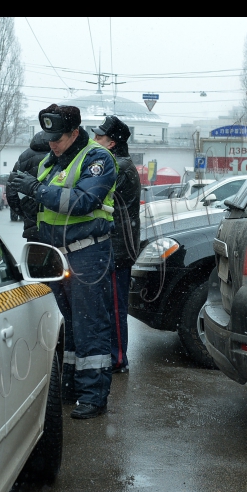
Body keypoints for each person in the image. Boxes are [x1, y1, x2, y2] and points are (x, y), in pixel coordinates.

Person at [9, 104, 118, 419]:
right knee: (67, 325)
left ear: (74, 133)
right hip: (56, 254)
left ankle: (94, 396)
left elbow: (83, 202)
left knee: (91, 325)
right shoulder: (49, 161)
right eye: (48, 137)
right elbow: (42, 210)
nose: (52, 143)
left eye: (57, 137)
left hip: (87, 251)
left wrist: (36, 190)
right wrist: (21, 196)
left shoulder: (98, 159)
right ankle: (71, 386)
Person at [91, 115, 141, 375]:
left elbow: (94, 198)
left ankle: (118, 358)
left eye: (99, 137)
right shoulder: (117, 163)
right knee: (110, 306)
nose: (94, 140)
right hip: (115, 247)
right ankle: (113, 355)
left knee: (115, 306)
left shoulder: (118, 167)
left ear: (111, 143)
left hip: (118, 250)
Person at [5, 130, 51, 241]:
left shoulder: (24, 157)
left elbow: (12, 189)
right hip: (58, 229)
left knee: (35, 255)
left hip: (32, 230)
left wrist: (25, 211)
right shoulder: (62, 155)